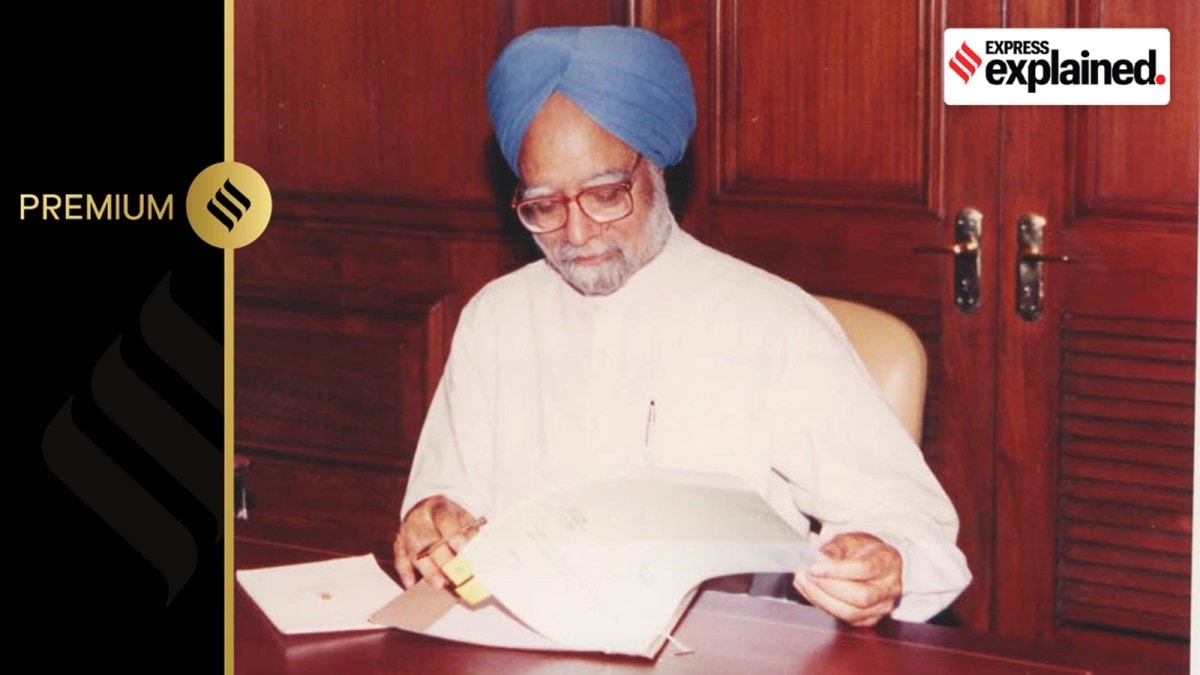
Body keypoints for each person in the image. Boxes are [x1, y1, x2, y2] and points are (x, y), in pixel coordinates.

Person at [393, 24, 971, 628]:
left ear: (656, 171)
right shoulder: (496, 317)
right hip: (518, 644)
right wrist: (434, 519)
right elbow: (448, 498)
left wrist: (883, 561)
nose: (578, 233)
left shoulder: (771, 322)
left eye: (606, 193)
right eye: (543, 205)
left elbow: (911, 522)